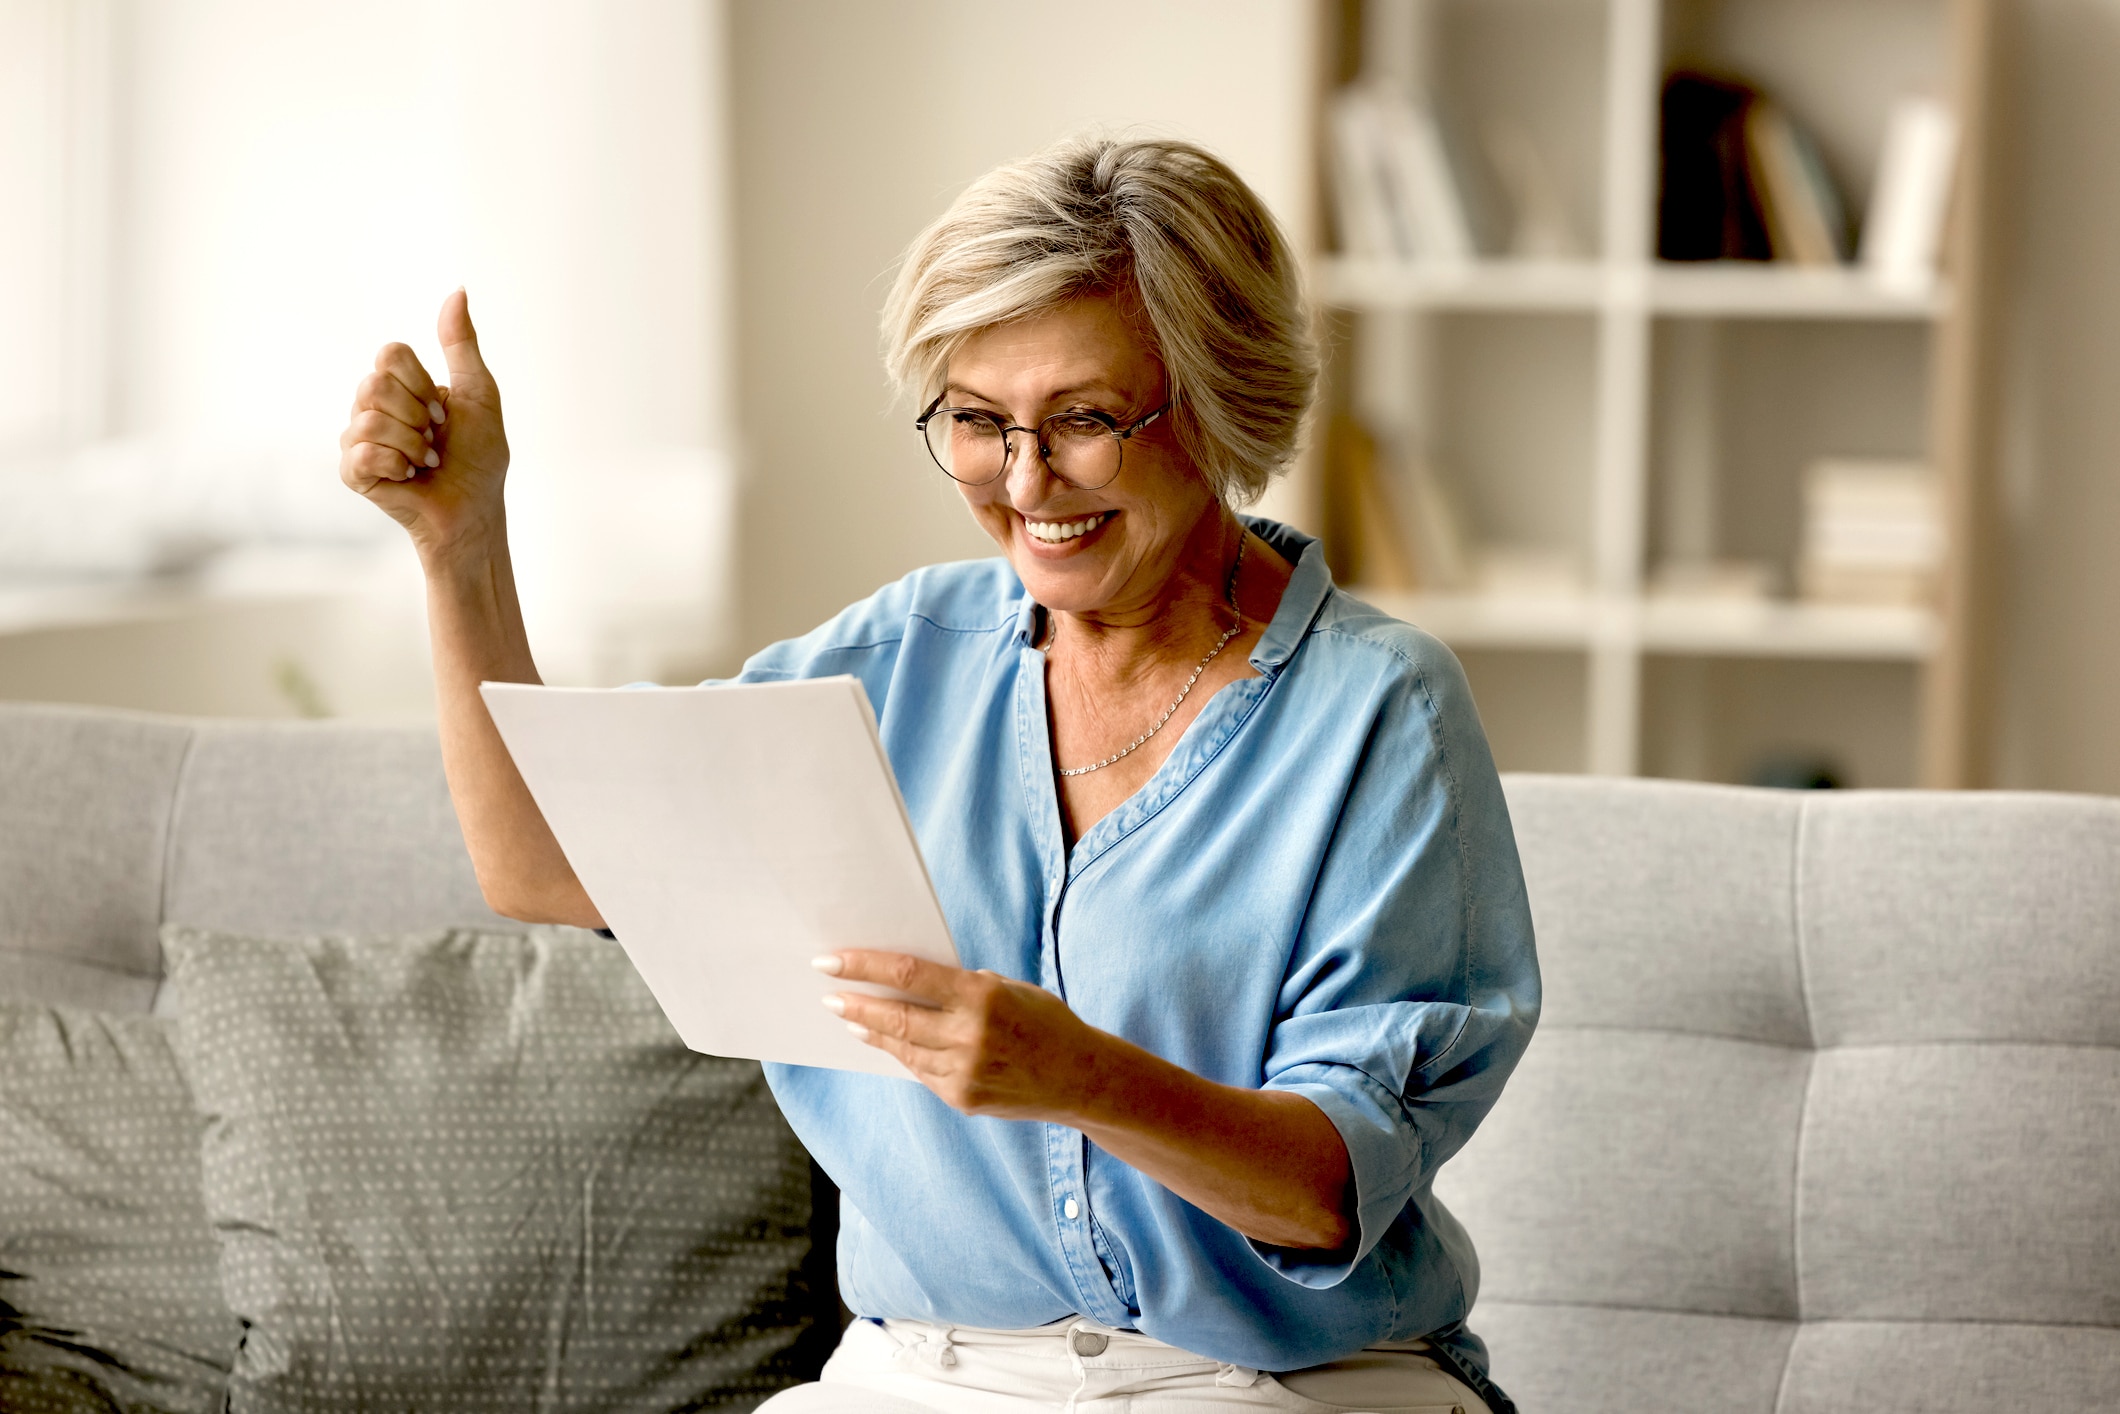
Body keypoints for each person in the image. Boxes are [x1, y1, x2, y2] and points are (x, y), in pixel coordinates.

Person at [337, 135, 1539, 1414]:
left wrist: (1081, 1075)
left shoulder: (1378, 711)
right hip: (923, 1371)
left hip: (1279, 1377)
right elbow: (539, 862)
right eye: (977, 420)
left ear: (1216, 398)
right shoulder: (891, 663)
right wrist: (458, 548)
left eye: (1082, 418)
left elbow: (1323, 1189)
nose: (1025, 482)